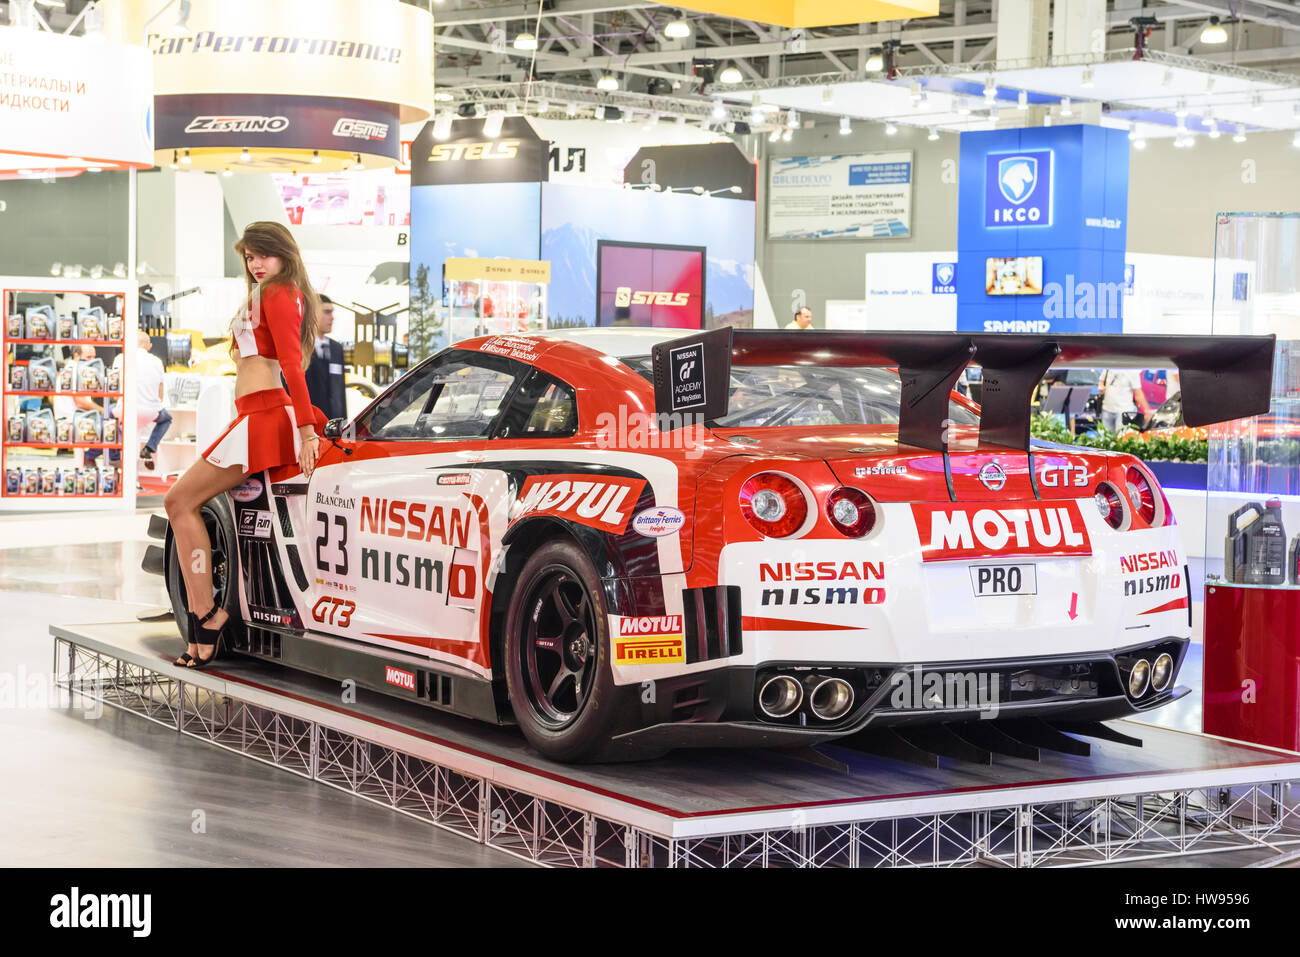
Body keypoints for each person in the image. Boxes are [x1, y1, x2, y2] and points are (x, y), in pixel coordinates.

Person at [163, 221, 325, 669]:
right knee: (185, 505)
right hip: (252, 416)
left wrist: (308, 430)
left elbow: (292, 364)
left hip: (267, 418)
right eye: (250, 256)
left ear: (284, 255)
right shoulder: (267, 293)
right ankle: (204, 621)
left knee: (179, 500)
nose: (256, 264)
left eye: (263, 255)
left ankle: (208, 615)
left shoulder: (279, 292)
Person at [121, 331, 170, 470]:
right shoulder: (157, 361)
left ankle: (107, 455)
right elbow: (161, 394)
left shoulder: (122, 358)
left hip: (124, 409)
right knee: (166, 419)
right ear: (149, 346)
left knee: (109, 420)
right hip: (150, 411)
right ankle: (149, 447)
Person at [305, 293, 347, 422]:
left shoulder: (336, 348)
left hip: (334, 426)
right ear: (312, 313)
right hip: (309, 424)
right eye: (327, 312)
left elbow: (340, 392)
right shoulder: (300, 348)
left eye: (332, 312)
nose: (332, 318)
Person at [1099, 368, 1153, 434]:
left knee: (1121, 438)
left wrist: (1147, 410)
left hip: (1123, 411)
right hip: (1107, 409)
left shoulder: (1132, 370)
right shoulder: (1109, 367)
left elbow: (1138, 393)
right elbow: (1101, 381)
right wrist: (1101, 387)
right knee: (1106, 439)